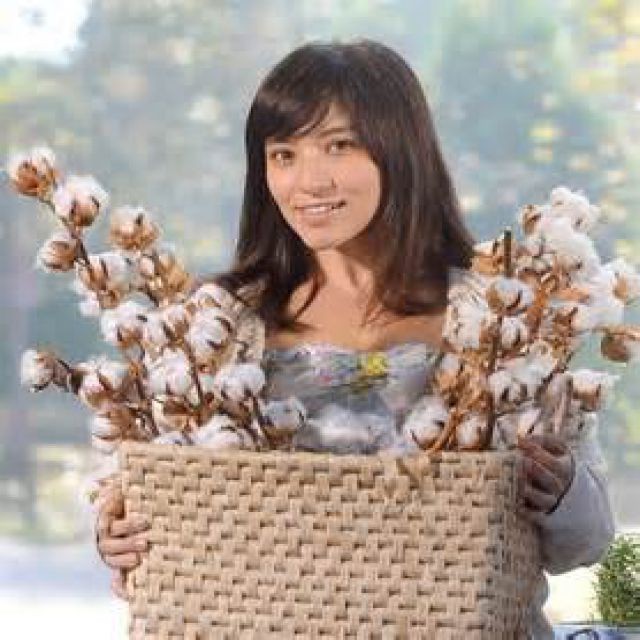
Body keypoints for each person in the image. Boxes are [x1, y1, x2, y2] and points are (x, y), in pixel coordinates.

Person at [95, 39, 615, 638]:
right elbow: (156, 502)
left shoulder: (498, 318)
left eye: (338, 145)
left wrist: (559, 489)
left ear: (400, 150)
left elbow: (588, 540)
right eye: (283, 154)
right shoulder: (219, 325)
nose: (308, 181)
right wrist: (117, 534)